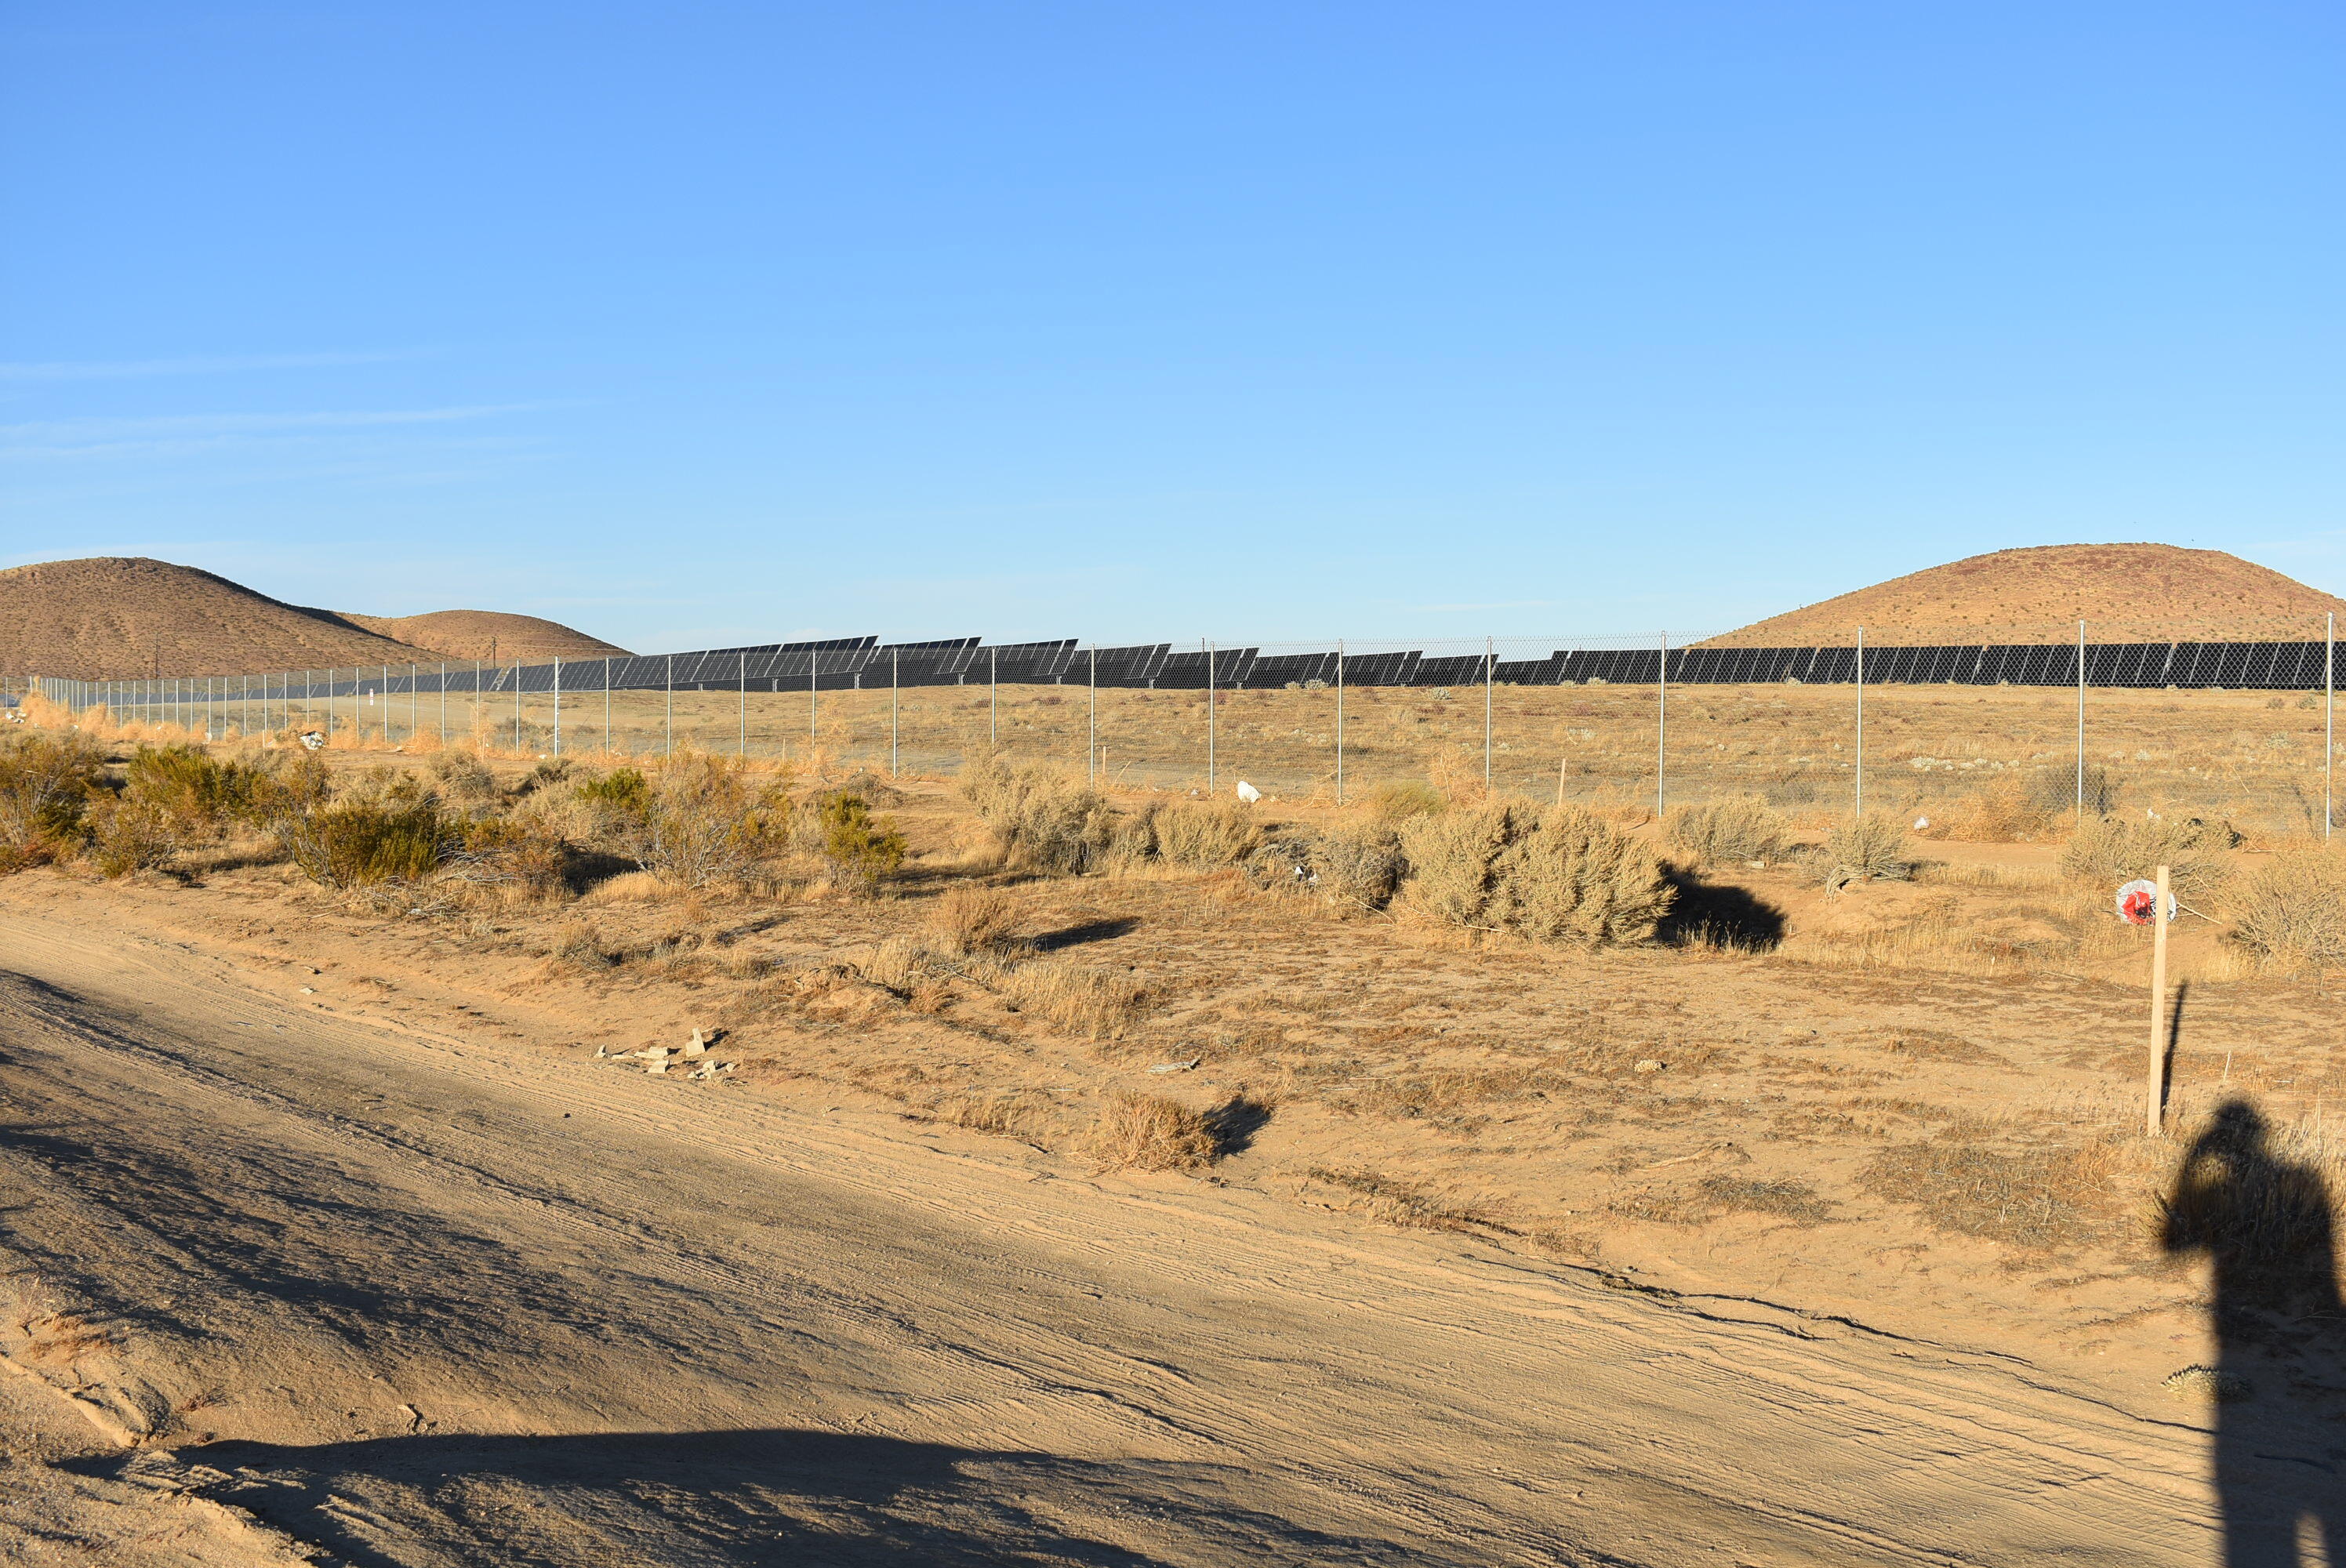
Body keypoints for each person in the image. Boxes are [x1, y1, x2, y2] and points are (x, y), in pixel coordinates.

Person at [2163, 1101, 2344, 1566]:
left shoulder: (2241, 1184)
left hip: (2245, 1326)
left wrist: (2191, 1163)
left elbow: (2172, 1241)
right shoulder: (2304, 1180)